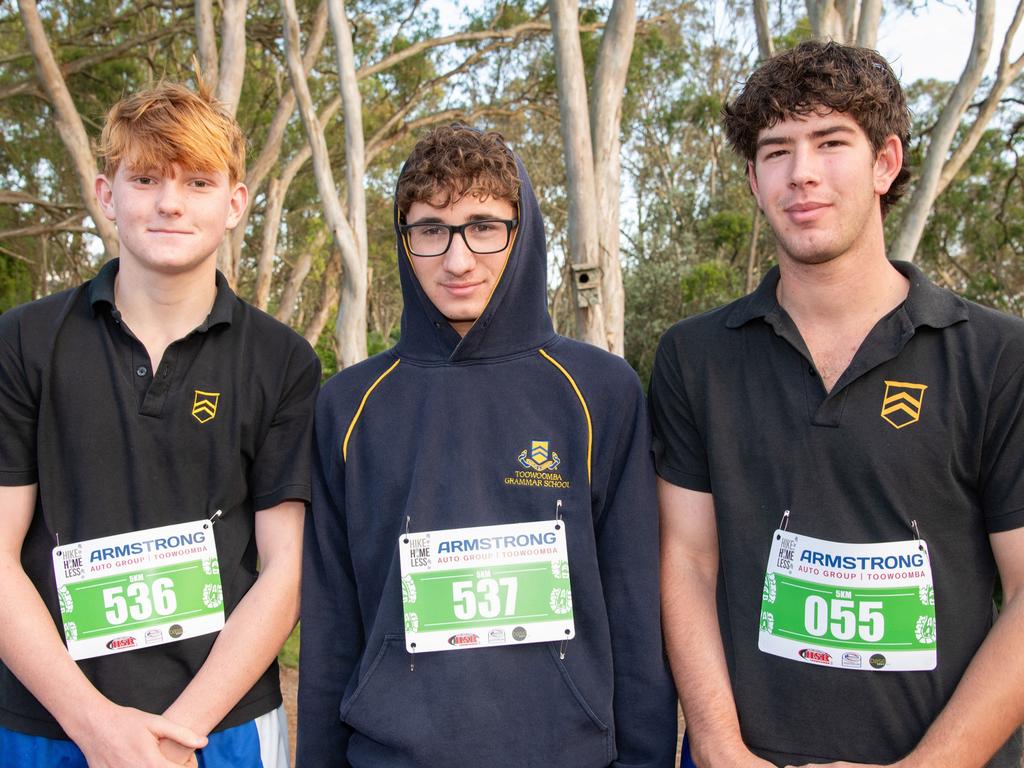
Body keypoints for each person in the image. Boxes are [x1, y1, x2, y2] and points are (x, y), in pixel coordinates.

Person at [650, 40, 1024, 768]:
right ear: (755, 182)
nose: (803, 174)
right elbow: (688, 561)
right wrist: (722, 750)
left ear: (885, 162)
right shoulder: (696, 358)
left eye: (830, 142)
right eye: (776, 151)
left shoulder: (997, 357)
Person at [297, 125, 677, 767]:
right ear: (403, 240)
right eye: (430, 230)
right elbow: (331, 627)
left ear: (520, 233)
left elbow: (637, 611)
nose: (458, 258)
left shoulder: (600, 391)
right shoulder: (348, 406)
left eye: (483, 226)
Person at [0, 82, 320, 767]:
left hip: (221, 727)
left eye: (197, 182)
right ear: (106, 194)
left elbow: (286, 567)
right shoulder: (23, 342)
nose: (169, 202)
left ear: (234, 203)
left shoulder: (283, 360)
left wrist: (174, 739)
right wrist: (96, 726)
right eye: (144, 179)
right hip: (45, 721)